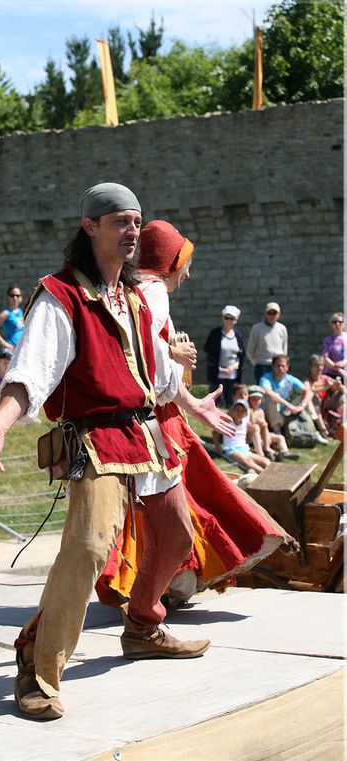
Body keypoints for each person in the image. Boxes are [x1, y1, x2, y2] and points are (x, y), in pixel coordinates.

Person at [0, 185, 293, 721]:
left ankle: (142, 625)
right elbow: (31, 375)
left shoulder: (138, 297)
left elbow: (156, 377)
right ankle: (38, 665)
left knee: (177, 536)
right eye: (121, 221)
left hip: (148, 437)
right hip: (95, 438)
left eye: (137, 221)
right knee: (91, 546)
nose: (132, 230)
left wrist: (183, 376)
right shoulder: (61, 295)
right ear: (90, 226)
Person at [96, 219, 295, 611]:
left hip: (158, 418)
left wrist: (193, 404)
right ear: (170, 261)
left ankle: (168, 586)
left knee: (172, 506)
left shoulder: (138, 290)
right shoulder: (153, 291)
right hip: (156, 424)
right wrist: (174, 357)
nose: (189, 273)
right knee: (186, 504)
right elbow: (148, 360)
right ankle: (160, 593)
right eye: (185, 262)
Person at [259, 354, 328, 444]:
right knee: (272, 399)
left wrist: (301, 406)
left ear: (287, 367)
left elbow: (308, 392)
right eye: (278, 365)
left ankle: (316, 430)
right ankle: (279, 434)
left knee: (307, 395)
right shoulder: (266, 378)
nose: (280, 368)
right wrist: (289, 405)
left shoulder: (290, 379)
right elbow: (268, 392)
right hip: (270, 413)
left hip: (286, 412)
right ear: (273, 366)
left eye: (283, 366)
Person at [203, 305, 245, 408]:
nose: (229, 321)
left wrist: (234, 367)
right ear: (223, 318)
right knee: (217, 403)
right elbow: (208, 351)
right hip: (218, 374)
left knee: (231, 402)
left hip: (232, 374)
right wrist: (218, 368)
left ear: (236, 320)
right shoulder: (215, 334)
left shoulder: (238, 335)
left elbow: (241, 355)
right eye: (227, 318)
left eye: (232, 319)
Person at [214, 399, 270, 474]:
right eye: (237, 410)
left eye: (242, 411)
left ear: (246, 414)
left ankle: (270, 473)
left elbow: (254, 429)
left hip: (244, 449)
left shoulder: (245, 423)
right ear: (232, 411)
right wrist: (217, 445)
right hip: (231, 449)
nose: (239, 413)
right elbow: (215, 433)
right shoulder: (228, 422)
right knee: (248, 461)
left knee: (266, 461)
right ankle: (265, 474)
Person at [247, 385, 298, 461]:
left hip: (263, 436)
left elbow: (265, 427)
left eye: (258, 399)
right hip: (253, 438)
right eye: (253, 399)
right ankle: (272, 453)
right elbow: (249, 426)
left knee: (280, 437)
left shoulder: (260, 411)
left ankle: (285, 451)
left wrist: (267, 437)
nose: (256, 402)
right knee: (261, 441)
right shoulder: (248, 411)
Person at [246, 302, 288, 383]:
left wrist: (282, 364)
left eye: (274, 313)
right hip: (262, 366)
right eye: (269, 313)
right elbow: (250, 350)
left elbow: (284, 349)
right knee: (262, 392)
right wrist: (256, 363)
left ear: (278, 314)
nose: (272, 316)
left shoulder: (282, 328)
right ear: (266, 314)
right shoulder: (256, 328)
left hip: (278, 366)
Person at [306, 354, 345, 439]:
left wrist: (339, 386)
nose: (319, 368)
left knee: (342, 396)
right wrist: (326, 387)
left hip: (326, 408)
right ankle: (323, 430)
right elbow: (309, 391)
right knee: (314, 398)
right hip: (314, 411)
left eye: (321, 365)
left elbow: (345, 391)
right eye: (316, 365)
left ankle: (343, 425)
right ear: (310, 367)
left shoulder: (325, 378)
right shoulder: (307, 381)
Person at [0, 283, 25, 352]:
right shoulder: (6, 313)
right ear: (8, 297)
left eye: (17, 295)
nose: (15, 298)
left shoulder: (20, 311)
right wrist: (5, 344)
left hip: (21, 349)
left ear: (21, 297)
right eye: (12, 295)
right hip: (11, 350)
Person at [322, 312, 347, 380]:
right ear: (331, 324)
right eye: (334, 322)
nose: (337, 324)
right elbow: (325, 358)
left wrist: (343, 363)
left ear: (344, 323)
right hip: (331, 375)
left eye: (340, 321)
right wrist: (338, 369)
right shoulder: (328, 340)